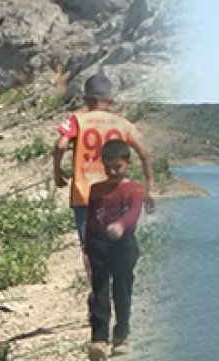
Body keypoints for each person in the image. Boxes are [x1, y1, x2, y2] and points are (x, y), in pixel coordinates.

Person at [52, 73, 156, 250]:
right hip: (117, 194)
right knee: (116, 244)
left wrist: (57, 172)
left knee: (90, 247)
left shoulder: (77, 119)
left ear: (86, 98)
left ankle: (95, 277)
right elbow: (145, 153)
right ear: (111, 98)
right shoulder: (123, 123)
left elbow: (61, 146)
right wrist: (149, 188)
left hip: (84, 195)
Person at [84, 139, 145, 361]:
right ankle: (99, 339)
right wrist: (87, 246)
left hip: (124, 245)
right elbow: (90, 219)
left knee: (122, 288)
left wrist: (120, 225)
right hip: (98, 244)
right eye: (107, 167)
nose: (112, 171)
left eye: (117, 167)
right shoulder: (96, 190)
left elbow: (132, 214)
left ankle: (121, 335)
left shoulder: (134, 189)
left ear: (127, 163)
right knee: (99, 290)